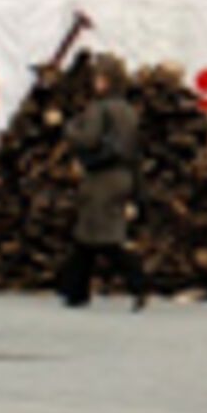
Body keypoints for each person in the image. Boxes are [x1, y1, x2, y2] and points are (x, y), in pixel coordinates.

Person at [58, 53, 148, 311]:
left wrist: (70, 128)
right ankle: (75, 290)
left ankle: (137, 281)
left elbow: (88, 139)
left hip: (101, 176)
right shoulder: (128, 110)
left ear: (105, 81)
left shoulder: (100, 108)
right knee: (87, 237)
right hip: (124, 176)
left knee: (103, 239)